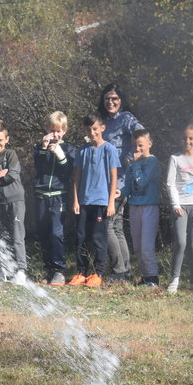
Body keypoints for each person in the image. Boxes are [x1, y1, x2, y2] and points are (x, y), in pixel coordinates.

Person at [68, 114, 121, 288]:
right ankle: (81, 272)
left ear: (102, 128)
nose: (92, 132)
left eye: (95, 129)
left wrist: (111, 202)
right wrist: (75, 200)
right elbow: (76, 177)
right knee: (81, 237)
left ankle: (98, 273)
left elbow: (114, 177)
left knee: (99, 238)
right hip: (84, 201)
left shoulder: (109, 150)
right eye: (89, 129)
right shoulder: (82, 150)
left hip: (101, 202)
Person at [99, 86, 142, 279]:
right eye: (107, 98)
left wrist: (133, 155)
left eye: (114, 98)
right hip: (103, 180)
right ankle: (126, 271)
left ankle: (118, 272)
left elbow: (143, 135)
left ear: (121, 100)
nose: (110, 102)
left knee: (106, 226)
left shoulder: (126, 118)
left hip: (120, 181)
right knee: (116, 227)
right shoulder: (102, 122)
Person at [165, 124, 193, 294]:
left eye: (191, 138)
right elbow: (170, 183)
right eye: (184, 138)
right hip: (181, 207)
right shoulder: (175, 158)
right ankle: (175, 279)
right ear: (180, 139)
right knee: (181, 243)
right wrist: (175, 205)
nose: (187, 141)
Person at [32, 111, 75, 286]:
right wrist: (43, 149)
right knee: (44, 233)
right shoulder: (39, 147)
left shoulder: (70, 149)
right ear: (46, 130)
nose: (55, 134)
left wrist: (59, 154)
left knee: (56, 233)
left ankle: (59, 270)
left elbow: (68, 172)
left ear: (64, 131)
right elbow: (39, 167)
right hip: (41, 196)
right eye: (52, 130)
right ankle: (48, 269)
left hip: (59, 196)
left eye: (58, 131)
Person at [0, 118, 27, 283]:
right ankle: (0, 270)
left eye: (0, 140)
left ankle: (21, 270)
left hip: (15, 201)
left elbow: (12, 176)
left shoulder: (11, 154)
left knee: (17, 235)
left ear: (6, 139)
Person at [125, 129, 164, 287]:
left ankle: (153, 278)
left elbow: (142, 182)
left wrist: (134, 165)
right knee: (137, 246)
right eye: (135, 145)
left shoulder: (152, 161)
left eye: (140, 145)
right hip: (134, 206)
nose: (137, 149)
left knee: (147, 245)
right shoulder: (133, 163)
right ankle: (145, 276)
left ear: (149, 144)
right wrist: (119, 192)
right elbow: (129, 185)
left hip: (149, 207)